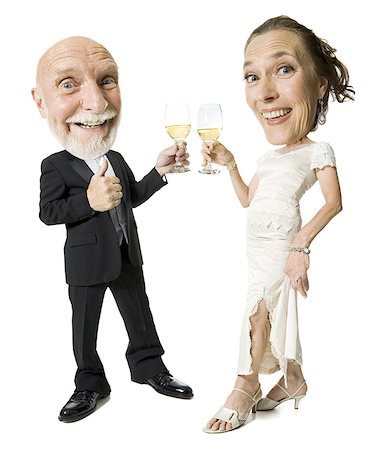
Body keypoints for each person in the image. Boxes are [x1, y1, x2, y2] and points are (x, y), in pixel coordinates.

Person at [202, 16, 354, 433]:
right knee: (259, 303)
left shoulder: (318, 149)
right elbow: (249, 199)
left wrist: (300, 246)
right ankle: (293, 380)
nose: (265, 91)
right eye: (252, 76)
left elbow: (333, 202)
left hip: (283, 239)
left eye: (284, 69)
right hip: (255, 241)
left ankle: (244, 384)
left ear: (320, 83)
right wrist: (231, 164)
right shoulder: (268, 158)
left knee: (260, 308)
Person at [32, 36, 193, 423]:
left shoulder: (115, 157)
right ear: (41, 102)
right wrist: (89, 201)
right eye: (68, 84)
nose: (97, 104)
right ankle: (90, 383)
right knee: (84, 327)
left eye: (107, 82)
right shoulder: (55, 165)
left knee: (140, 314)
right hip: (87, 262)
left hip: (126, 253)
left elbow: (132, 196)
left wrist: (160, 171)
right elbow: (48, 212)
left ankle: (149, 368)